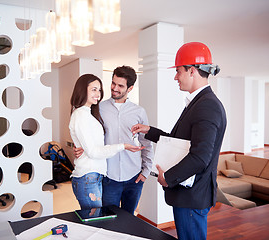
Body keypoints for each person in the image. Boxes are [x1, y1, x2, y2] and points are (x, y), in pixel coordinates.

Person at [131, 42, 226, 240]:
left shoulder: (207, 106)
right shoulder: (200, 103)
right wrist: (150, 131)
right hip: (189, 195)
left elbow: (200, 156)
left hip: (192, 197)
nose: (176, 77)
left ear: (192, 71)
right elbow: (179, 142)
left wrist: (169, 177)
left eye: (178, 71)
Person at [74, 66, 154, 215]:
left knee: (129, 219)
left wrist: (146, 171)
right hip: (108, 177)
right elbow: (89, 134)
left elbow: (146, 143)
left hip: (134, 177)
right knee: (108, 220)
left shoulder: (139, 112)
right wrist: (80, 146)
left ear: (130, 88)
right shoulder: (98, 108)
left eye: (120, 86)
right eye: (113, 83)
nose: (114, 88)